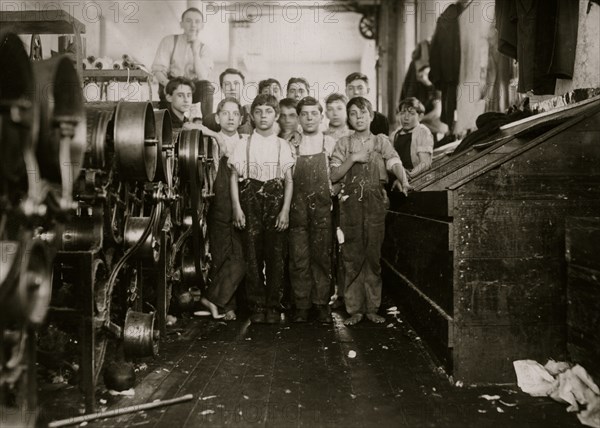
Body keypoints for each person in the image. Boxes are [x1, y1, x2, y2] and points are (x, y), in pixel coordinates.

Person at [330, 97, 410, 326]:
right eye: (353, 113)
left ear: (372, 116)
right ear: (349, 118)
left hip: (375, 202)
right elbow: (334, 175)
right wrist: (354, 158)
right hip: (350, 203)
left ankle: (372, 307)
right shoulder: (343, 144)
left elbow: (394, 161)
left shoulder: (381, 141)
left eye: (363, 113)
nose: (358, 117)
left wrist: (403, 178)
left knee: (373, 256)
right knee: (352, 256)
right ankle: (355, 309)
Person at [229, 94, 295, 324]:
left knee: (276, 254)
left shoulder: (282, 145)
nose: (263, 116)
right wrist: (237, 208)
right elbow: (233, 177)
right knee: (252, 254)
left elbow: (288, 180)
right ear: (252, 116)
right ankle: (257, 304)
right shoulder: (243, 143)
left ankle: (274, 306)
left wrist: (285, 210)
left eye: (268, 111)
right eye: (258, 111)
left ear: (276, 115)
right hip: (249, 201)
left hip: (275, 201)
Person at [192, 97, 248, 321]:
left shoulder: (247, 140)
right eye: (225, 113)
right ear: (217, 117)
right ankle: (226, 306)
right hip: (218, 203)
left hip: (244, 202)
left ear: (242, 119)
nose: (231, 118)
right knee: (220, 255)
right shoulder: (210, 141)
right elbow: (189, 126)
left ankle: (214, 299)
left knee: (241, 257)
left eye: (235, 114)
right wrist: (214, 134)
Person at [288, 97, 337, 324]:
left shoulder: (330, 143)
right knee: (299, 258)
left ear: (321, 116)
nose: (309, 118)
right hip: (297, 209)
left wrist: (333, 192)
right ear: (298, 118)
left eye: (313, 113)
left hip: (322, 209)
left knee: (322, 257)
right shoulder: (290, 143)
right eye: (304, 114)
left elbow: (339, 175)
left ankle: (321, 305)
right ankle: (301, 306)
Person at [152, 7, 214, 118]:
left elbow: (203, 78)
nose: (193, 25)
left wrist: (195, 53)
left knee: (207, 87)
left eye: (197, 21)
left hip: (192, 88)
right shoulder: (169, 41)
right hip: (170, 85)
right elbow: (158, 69)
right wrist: (170, 86)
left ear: (202, 26)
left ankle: (207, 124)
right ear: (181, 24)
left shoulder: (205, 49)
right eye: (188, 21)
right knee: (170, 122)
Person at [390, 97, 434, 178]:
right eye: (402, 113)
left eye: (411, 113)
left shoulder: (423, 132)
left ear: (420, 116)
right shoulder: (395, 134)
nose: (406, 117)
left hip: (417, 177)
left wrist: (408, 176)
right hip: (398, 176)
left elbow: (425, 164)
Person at [203, 68, 253, 134]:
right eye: (227, 84)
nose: (232, 88)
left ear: (243, 87)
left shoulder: (252, 116)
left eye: (236, 83)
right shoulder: (210, 121)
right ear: (221, 88)